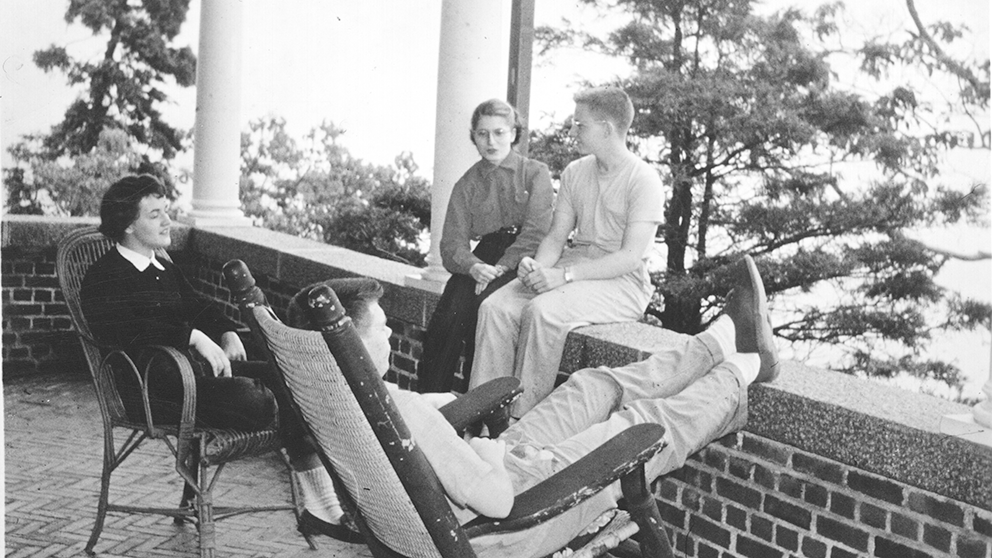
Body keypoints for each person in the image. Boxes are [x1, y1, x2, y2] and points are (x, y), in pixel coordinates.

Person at [288, 254, 779, 558]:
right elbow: (498, 500)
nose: (392, 332)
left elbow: (423, 459)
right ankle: (747, 368)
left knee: (590, 386)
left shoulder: (334, 405)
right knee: (644, 426)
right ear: (345, 346)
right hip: (510, 523)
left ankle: (718, 341)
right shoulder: (396, 413)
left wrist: (466, 441)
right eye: (379, 328)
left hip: (465, 494)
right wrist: (487, 453)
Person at [79, 175, 358, 543]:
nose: (167, 221)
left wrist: (225, 331)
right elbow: (128, 334)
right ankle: (325, 504)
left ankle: (323, 507)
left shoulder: (161, 265)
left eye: (166, 211)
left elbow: (202, 306)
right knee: (257, 399)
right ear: (129, 225)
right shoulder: (106, 276)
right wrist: (192, 337)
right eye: (155, 215)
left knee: (294, 378)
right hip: (152, 391)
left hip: (196, 377)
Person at [469, 86, 665, 416]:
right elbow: (556, 237)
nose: (572, 131)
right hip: (573, 267)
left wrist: (563, 275)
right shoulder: (577, 172)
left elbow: (630, 256)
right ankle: (482, 413)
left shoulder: (643, 180)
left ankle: (519, 421)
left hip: (622, 281)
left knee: (543, 312)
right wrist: (537, 266)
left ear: (606, 129)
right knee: (496, 307)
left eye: (580, 124)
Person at [418, 99, 554, 394]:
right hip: (484, 256)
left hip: (524, 255)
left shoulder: (534, 173)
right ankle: (429, 400)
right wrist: (474, 267)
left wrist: (502, 267)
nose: (491, 141)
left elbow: (536, 231)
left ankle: (475, 407)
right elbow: (452, 242)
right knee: (449, 313)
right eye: (482, 134)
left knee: (483, 312)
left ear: (514, 133)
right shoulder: (466, 184)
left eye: (499, 132)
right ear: (474, 137)